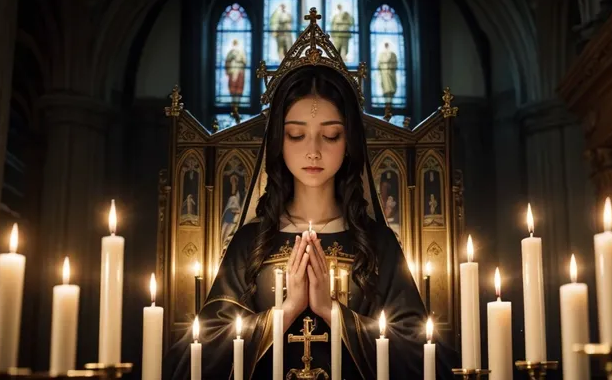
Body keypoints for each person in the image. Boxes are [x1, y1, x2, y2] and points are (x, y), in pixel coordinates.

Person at [164, 36, 457, 380]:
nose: (313, 151)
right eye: (296, 135)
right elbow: (200, 350)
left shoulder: (377, 244)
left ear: (348, 143)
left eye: (330, 135)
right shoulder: (250, 243)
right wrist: (284, 313)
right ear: (278, 141)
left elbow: (421, 351)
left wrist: (333, 313)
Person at [225, 39, 247, 104]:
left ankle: (238, 102)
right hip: (232, 70)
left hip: (239, 70)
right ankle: (233, 102)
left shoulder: (241, 51)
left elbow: (244, 61)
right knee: (232, 86)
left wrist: (239, 60)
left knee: (239, 86)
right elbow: (227, 61)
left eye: (236, 43)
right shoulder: (230, 52)